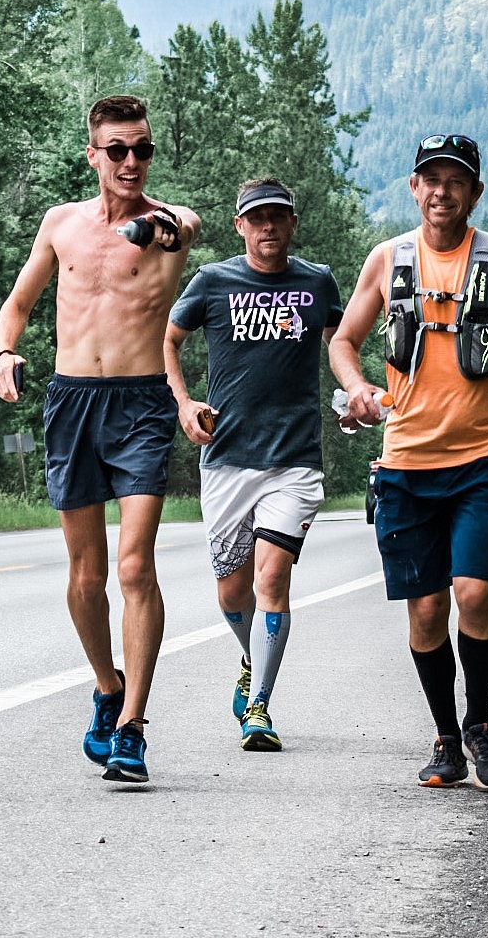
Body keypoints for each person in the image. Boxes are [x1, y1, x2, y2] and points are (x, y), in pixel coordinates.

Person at [329, 133, 488, 789]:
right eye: (430, 178)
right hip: (407, 462)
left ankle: (481, 721)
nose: (442, 190)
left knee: (472, 590)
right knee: (424, 611)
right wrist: (356, 386)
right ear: (413, 187)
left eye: (455, 179)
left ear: (475, 191)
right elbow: (344, 340)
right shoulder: (387, 260)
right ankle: (446, 737)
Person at [0, 94, 200, 784]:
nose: (132, 161)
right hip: (72, 402)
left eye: (142, 149)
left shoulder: (168, 223)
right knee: (85, 577)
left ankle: (133, 727)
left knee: (134, 565)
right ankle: (107, 685)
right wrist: (3, 354)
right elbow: (18, 304)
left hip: (140, 404)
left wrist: (160, 228)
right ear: (93, 154)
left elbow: (182, 229)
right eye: (118, 150)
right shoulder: (61, 225)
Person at [163, 179, 343, 751]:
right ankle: (250, 659)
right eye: (256, 218)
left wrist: (353, 396)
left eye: (277, 217)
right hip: (227, 460)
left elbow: (341, 345)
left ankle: (259, 707)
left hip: (294, 460)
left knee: (272, 579)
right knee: (231, 592)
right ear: (240, 226)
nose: (267, 227)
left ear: (293, 224)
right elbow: (168, 340)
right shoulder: (213, 282)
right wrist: (185, 402)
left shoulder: (317, 283)